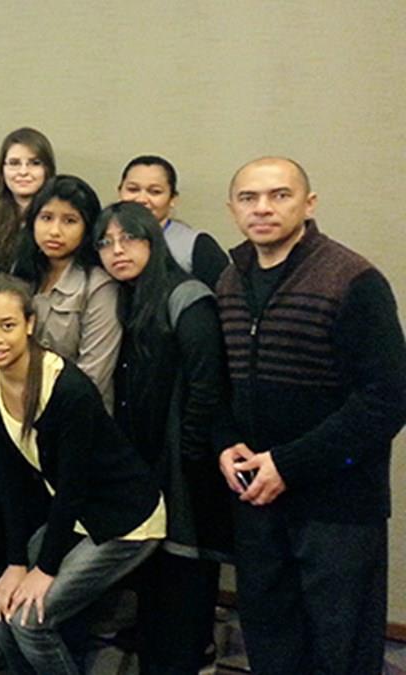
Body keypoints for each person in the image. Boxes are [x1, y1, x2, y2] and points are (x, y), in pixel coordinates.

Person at [215, 157, 406, 674]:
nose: (263, 208)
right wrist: (225, 442)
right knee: (270, 641)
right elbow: (225, 387)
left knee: (342, 649)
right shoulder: (229, 282)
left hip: (338, 508)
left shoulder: (352, 279)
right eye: (249, 198)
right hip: (258, 501)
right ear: (232, 209)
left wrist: (289, 464)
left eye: (279, 195)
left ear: (308, 203)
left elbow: (386, 399)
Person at [0, 274, 164, 675]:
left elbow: (73, 487)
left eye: (7, 325)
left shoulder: (68, 389)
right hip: (75, 514)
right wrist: (16, 562)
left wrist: (45, 569)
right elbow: (11, 477)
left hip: (124, 520)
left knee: (29, 620)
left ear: (29, 324)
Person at [93, 202, 231, 673]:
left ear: (152, 240)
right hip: (146, 464)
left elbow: (207, 386)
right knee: (153, 577)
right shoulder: (125, 299)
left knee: (184, 577)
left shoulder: (186, 296)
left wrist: (188, 456)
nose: (117, 250)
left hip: (185, 468)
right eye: (106, 243)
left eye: (129, 238)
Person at [13, 175, 121, 408]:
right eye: (46, 218)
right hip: (18, 407)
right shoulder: (21, 276)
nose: (54, 231)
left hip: (77, 413)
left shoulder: (99, 287)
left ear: (87, 228)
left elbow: (94, 375)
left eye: (69, 221)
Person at [117, 155, 229, 288]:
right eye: (133, 189)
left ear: (173, 199)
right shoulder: (104, 241)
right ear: (119, 193)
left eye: (155, 192)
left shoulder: (196, 245)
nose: (142, 199)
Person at [0, 127, 56, 270]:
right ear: (2, 170)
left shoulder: (59, 218)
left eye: (34, 163)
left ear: (47, 169)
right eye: (14, 163)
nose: (23, 172)